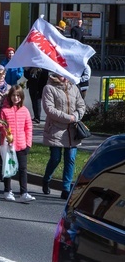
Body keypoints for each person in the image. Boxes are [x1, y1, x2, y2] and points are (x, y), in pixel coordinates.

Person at [41, 72, 86, 200]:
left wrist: (76, 116)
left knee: (70, 159)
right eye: (61, 75)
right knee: (55, 158)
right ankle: (46, 179)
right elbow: (49, 109)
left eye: (66, 74)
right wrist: (69, 118)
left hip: (72, 130)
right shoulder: (49, 88)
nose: (64, 77)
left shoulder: (73, 87)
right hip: (56, 129)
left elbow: (81, 105)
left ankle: (66, 188)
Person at [0, 86, 34, 202]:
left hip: (22, 144)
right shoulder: (4, 110)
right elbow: (0, 125)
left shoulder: (25, 110)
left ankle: (24, 192)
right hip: (9, 145)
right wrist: (5, 132)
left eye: (18, 96)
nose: (16, 98)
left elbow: (28, 128)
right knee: (8, 168)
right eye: (13, 95)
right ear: (10, 96)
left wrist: (28, 143)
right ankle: (7, 190)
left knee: (23, 169)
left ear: (21, 97)